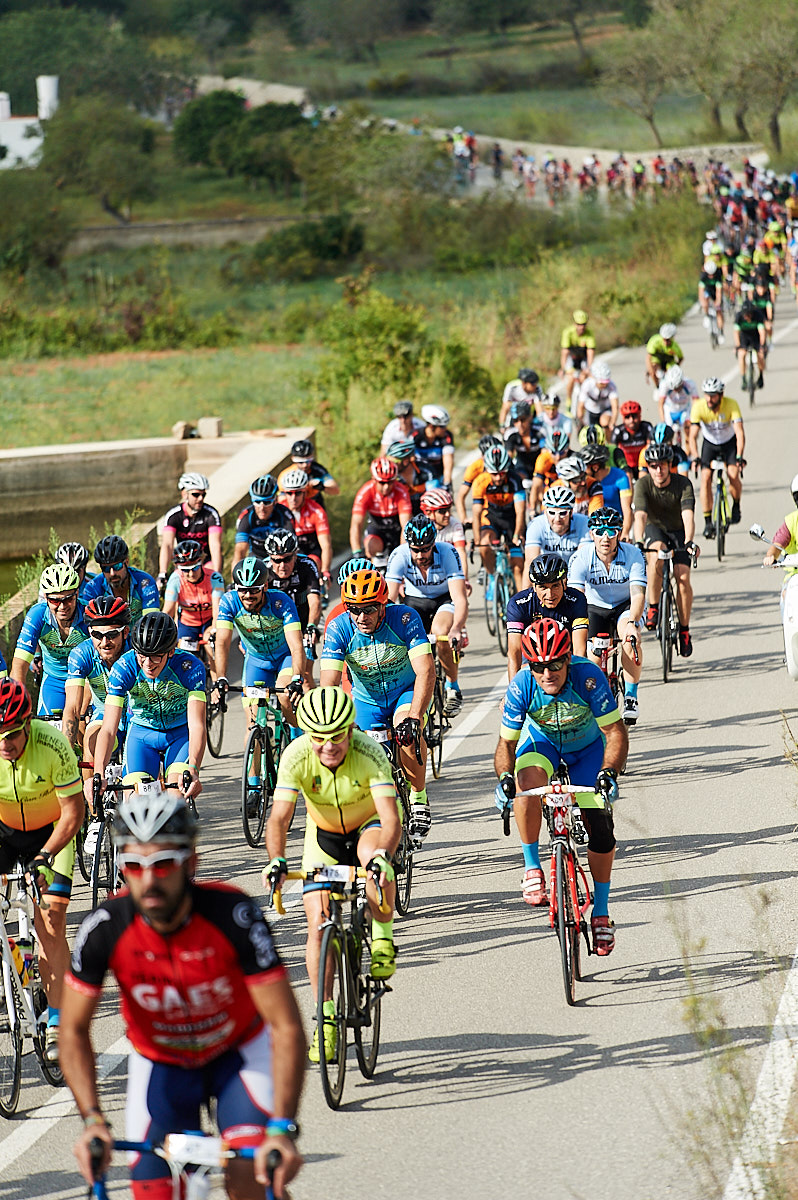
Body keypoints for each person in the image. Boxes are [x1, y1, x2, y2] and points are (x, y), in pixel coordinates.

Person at [61, 789, 305, 1200]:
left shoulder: (234, 916)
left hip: (239, 1055)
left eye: (162, 864)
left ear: (190, 862)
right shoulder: (105, 927)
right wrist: (93, 1121)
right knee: (153, 1191)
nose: (149, 879)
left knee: (253, 1179)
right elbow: (71, 1030)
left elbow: (285, 1026)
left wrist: (282, 1129)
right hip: (162, 1064)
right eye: (134, 866)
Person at [265, 686, 401, 1063]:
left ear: (351, 729)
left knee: (372, 859)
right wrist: (277, 860)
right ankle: (325, 1021)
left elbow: (390, 819)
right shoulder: (295, 756)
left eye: (337, 736)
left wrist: (382, 858)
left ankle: (383, 937)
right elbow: (279, 818)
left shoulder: (370, 753)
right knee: (318, 925)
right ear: (307, 735)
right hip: (322, 837)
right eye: (319, 738)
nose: (328, 746)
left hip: (367, 826)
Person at [493, 619, 627, 954]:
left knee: (600, 827)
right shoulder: (522, 685)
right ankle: (532, 866)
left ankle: (600, 911)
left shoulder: (589, 677)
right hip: (544, 745)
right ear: (529, 665)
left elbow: (615, 733)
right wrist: (504, 778)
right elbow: (506, 745)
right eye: (539, 666)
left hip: (587, 749)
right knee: (525, 784)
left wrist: (609, 772)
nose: (547, 674)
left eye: (555, 665)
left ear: (567, 659)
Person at [0, 678, 84, 1063]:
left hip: (51, 835)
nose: (6, 744)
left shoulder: (53, 744)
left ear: (28, 724)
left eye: (13, 734)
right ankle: (16, 966)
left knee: (51, 919)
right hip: (5, 833)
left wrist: (46, 855)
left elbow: (74, 812)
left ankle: (56, 1022)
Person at [320, 569, 435, 846]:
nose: (362, 617)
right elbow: (330, 684)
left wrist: (416, 716)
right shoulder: (339, 628)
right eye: (354, 609)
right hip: (367, 701)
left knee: (407, 733)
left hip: (404, 692)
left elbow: (426, 671)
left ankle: (418, 796)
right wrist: (333, 726)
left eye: (369, 609)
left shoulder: (404, 618)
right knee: (365, 759)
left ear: (383, 604)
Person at [89, 613, 205, 810]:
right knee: (135, 806)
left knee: (176, 801)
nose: (148, 664)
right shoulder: (125, 667)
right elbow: (109, 728)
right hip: (141, 735)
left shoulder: (190, 667)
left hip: (180, 734)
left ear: (170, 652)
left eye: (155, 656)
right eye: (142, 655)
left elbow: (196, 725)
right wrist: (98, 773)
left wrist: (193, 768)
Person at [568, 507, 645, 725]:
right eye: (599, 531)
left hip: (624, 606)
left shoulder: (633, 554)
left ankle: (630, 697)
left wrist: (632, 623)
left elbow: (638, 593)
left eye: (611, 531)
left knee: (631, 641)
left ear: (619, 532)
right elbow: (576, 597)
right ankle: (590, 698)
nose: (605, 537)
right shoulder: (581, 556)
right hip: (593, 607)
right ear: (591, 533)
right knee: (591, 654)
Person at [386, 514, 468, 716]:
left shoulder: (448, 552)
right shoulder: (399, 555)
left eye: (425, 549)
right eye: (415, 550)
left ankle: (453, 687)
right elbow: (388, 599)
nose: (420, 555)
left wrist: (456, 628)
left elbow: (460, 598)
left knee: (441, 633)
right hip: (414, 602)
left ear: (434, 544)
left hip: (443, 600)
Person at [215, 557, 306, 740]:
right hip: (256, 661)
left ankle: (298, 738)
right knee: (252, 728)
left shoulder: (281, 602)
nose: (248, 596)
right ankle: (255, 769)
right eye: (243, 590)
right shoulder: (229, 602)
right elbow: (222, 642)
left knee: (285, 694)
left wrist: (296, 678)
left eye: (254, 590)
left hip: (284, 657)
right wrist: (221, 677)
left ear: (265, 586)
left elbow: (296, 646)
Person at [633, 443, 699, 657]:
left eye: (662, 465)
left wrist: (689, 541)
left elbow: (688, 515)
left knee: (682, 578)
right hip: (656, 529)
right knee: (656, 556)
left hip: (679, 531)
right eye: (653, 466)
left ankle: (685, 630)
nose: (658, 471)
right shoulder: (642, 484)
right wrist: (637, 541)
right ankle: (653, 606)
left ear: (670, 465)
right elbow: (640, 516)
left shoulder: (683, 483)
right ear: (648, 468)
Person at [63, 595, 132, 772]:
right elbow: (72, 708)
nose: (104, 642)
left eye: (111, 635)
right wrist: (66, 752)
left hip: (137, 717)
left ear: (125, 632)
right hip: (104, 714)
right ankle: (92, 798)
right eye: (97, 635)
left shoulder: (137, 651)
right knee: (91, 743)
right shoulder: (81, 655)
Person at [12, 564, 90, 715]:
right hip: (54, 680)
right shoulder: (37, 615)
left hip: (85, 680)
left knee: (82, 726)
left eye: (68, 599)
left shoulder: (89, 615)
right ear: (46, 598)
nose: (62, 606)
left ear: (77, 593)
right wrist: (18, 706)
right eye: (55, 601)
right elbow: (19, 665)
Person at [506, 554, 588, 680]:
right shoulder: (518, 604)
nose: (550, 594)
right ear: (533, 587)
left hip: (564, 654)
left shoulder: (576, 600)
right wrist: (512, 691)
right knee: (524, 674)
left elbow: (579, 650)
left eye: (555, 586)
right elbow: (514, 652)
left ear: (564, 583)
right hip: (533, 656)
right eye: (543, 587)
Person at [263, 528, 323, 685]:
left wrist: (311, 626)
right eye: (276, 560)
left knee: (305, 674)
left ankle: (310, 708)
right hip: (275, 626)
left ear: (296, 554)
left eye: (287, 559)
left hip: (304, 622)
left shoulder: (307, 565)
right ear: (270, 558)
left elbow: (315, 601)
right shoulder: (263, 570)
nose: (282, 565)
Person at [687, 377, 745, 536]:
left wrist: (739, 456)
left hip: (728, 443)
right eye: (707, 395)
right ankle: (708, 522)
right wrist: (696, 456)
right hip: (710, 444)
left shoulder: (731, 404)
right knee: (705, 478)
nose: (709, 399)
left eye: (713, 395)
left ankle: (736, 505)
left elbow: (739, 432)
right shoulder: (699, 406)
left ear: (721, 394)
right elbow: (692, 436)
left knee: (733, 474)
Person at [162, 540, 224, 673]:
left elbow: (217, 611)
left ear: (201, 561)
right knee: (184, 657)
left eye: (195, 568)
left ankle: (216, 682)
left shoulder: (214, 578)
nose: (190, 574)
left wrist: (214, 629)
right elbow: (168, 610)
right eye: (185, 570)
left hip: (208, 621)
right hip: (188, 623)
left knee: (211, 645)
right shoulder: (175, 579)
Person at [471, 443, 527, 591]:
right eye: (494, 473)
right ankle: (491, 578)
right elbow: (476, 513)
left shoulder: (515, 480)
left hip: (512, 518)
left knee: (517, 566)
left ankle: (522, 603)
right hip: (492, 517)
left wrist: (517, 534)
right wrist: (477, 539)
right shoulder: (480, 481)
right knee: (484, 545)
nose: (498, 477)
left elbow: (521, 511)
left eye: (502, 473)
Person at [158, 472, 223, 593]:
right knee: (176, 582)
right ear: (184, 494)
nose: (200, 499)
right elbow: (167, 545)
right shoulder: (173, 515)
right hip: (183, 560)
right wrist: (162, 573)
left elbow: (215, 546)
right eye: (196, 494)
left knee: (210, 573)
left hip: (205, 560)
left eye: (203, 495)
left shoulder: (211, 515)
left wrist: (217, 575)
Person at [83, 537, 160, 625]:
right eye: (106, 568)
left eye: (117, 566)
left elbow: (152, 620)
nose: (112, 573)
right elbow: (88, 626)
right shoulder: (92, 588)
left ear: (126, 562)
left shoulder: (145, 582)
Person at [350, 457, 413, 559]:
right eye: (382, 483)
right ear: (374, 480)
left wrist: (404, 552)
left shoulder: (401, 491)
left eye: (390, 482)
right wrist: (356, 551)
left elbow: (406, 525)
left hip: (397, 530)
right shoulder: (365, 492)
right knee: (371, 549)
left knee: (403, 555)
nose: (386, 487)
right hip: (377, 530)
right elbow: (356, 525)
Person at [279, 467, 332, 583]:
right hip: (288, 553)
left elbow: (326, 545)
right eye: (289, 493)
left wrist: (325, 571)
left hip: (311, 550)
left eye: (298, 493)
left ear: (305, 493)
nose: (293, 498)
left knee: (311, 564)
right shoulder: (279, 511)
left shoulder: (316, 511)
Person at [524, 485, 589, 574]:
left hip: (574, 572)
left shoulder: (584, 523)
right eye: (552, 513)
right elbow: (531, 563)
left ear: (571, 513)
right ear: (545, 512)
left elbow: (584, 561)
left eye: (563, 513)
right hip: (547, 574)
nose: (557, 519)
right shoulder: (536, 524)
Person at [233, 475, 294, 567]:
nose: (261, 508)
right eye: (257, 502)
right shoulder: (246, 516)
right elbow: (240, 551)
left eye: (266, 502)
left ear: (275, 500)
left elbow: (291, 548)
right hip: (256, 557)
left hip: (279, 557)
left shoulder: (284, 514)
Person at [581, 444, 633, 537]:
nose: (583, 470)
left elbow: (627, 510)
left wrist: (625, 533)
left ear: (595, 467)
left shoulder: (620, 476)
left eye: (585, 467)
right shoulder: (584, 480)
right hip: (593, 526)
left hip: (615, 526)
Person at [420, 487, 469, 582]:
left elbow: (461, 553)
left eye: (449, 509)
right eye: (442, 511)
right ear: (429, 513)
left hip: (448, 568)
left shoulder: (455, 524)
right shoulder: (422, 527)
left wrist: (465, 580)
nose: (448, 514)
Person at [455, 434, 502, 526]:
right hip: (485, 508)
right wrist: (464, 519)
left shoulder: (506, 465)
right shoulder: (474, 467)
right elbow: (460, 497)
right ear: (482, 455)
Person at [278, 438, 339, 507]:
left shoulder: (318, 470)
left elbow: (335, 490)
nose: (305, 465)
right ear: (293, 459)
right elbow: (281, 500)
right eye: (300, 462)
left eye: (308, 461)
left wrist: (321, 487)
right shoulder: (285, 475)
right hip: (294, 505)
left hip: (315, 503)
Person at [560, 310, 596, 407]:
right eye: (579, 324)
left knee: (584, 378)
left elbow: (590, 352)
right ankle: (569, 400)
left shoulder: (589, 334)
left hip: (583, 358)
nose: (581, 327)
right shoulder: (568, 332)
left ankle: (583, 402)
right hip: (572, 357)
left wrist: (589, 369)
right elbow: (565, 352)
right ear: (574, 324)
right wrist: (563, 369)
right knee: (571, 378)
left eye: (583, 325)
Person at [529, 431, 572, 511]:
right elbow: (535, 486)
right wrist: (532, 510)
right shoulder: (543, 459)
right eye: (554, 453)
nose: (558, 457)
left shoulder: (573, 458)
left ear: (568, 449)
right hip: (549, 492)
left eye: (562, 452)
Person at [413, 405, 455, 488]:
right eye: (442, 426)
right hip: (420, 475)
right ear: (432, 426)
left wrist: (447, 483)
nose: (445, 429)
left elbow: (448, 463)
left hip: (438, 476)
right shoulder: (415, 436)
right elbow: (408, 460)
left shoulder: (447, 436)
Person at [613, 401, 653, 482]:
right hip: (627, 466)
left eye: (634, 416)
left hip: (643, 464)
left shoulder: (646, 427)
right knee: (627, 477)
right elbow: (613, 450)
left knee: (643, 481)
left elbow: (651, 447)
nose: (631, 420)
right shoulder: (618, 431)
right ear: (623, 419)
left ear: (640, 416)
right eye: (627, 417)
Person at [575, 359, 619, 432]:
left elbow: (615, 406)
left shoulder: (611, 386)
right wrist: (581, 421)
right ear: (595, 378)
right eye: (601, 383)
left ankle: (609, 442)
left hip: (605, 410)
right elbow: (580, 406)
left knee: (605, 422)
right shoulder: (587, 384)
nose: (604, 385)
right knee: (590, 431)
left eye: (606, 382)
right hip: (591, 410)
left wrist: (612, 422)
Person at [656, 364, 698, 440]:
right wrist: (663, 421)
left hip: (684, 409)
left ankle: (688, 450)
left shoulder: (690, 384)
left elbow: (696, 402)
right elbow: (660, 404)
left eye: (678, 388)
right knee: (667, 434)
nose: (676, 390)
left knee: (688, 429)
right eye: (673, 388)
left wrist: (694, 419)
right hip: (670, 410)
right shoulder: (664, 385)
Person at [734, 297, 766, 388]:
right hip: (744, 337)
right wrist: (737, 345)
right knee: (742, 354)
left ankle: (760, 375)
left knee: (760, 355)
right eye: (745, 315)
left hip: (756, 336)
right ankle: (743, 378)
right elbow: (736, 332)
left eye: (747, 314)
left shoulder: (758, 315)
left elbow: (762, 332)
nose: (746, 317)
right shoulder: (739, 316)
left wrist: (762, 345)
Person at [698, 259, 725, 341]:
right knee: (705, 302)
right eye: (709, 274)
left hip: (715, 291)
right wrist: (702, 303)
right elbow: (701, 291)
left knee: (719, 311)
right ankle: (706, 315)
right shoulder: (703, 277)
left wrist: (718, 302)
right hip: (707, 291)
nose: (711, 276)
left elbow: (719, 292)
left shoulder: (718, 275)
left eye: (712, 274)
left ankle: (721, 331)